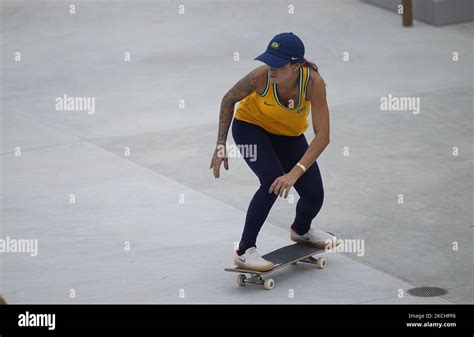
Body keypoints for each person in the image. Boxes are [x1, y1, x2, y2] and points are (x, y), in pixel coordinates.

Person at [210, 32, 341, 272]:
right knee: (271, 181)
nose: (271, 68)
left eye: (278, 65)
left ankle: (301, 230)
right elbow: (229, 99)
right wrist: (221, 144)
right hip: (251, 128)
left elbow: (323, 136)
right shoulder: (260, 78)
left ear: (296, 66)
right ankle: (244, 250)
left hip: (288, 135)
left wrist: (295, 173)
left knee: (314, 194)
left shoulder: (313, 84)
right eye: (269, 61)